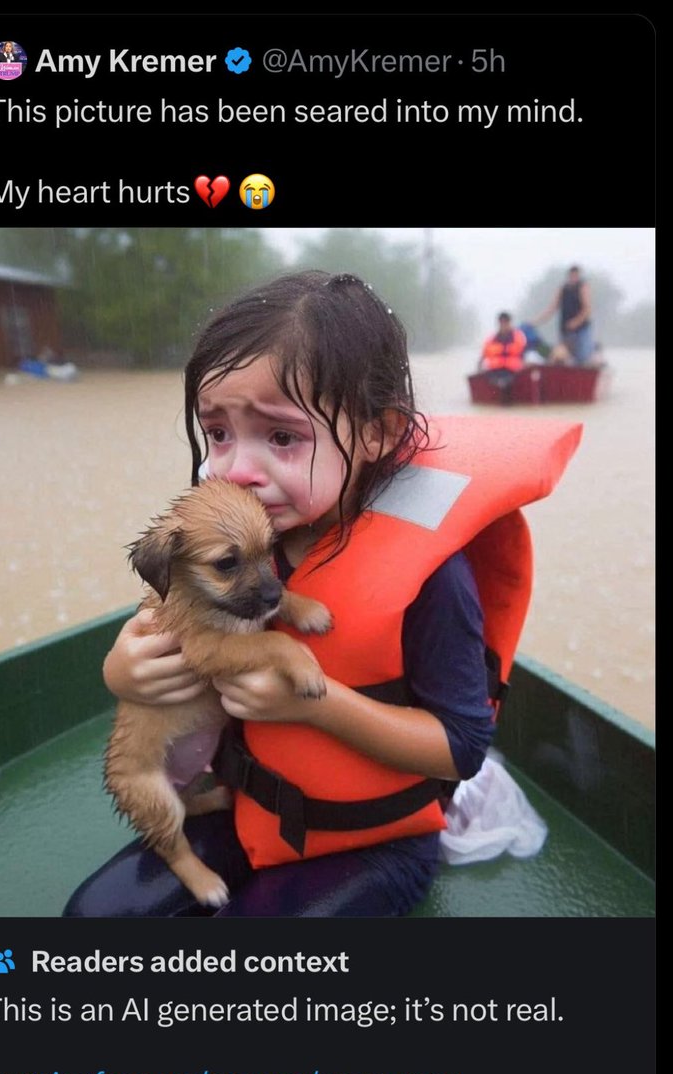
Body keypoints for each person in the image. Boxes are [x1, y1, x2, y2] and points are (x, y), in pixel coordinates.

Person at [63, 271, 576, 919]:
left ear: (378, 432)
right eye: (218, 433)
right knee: (93, 917)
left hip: (373, 839)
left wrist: (317, 706)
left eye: (281, 437)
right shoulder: (242, 532)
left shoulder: (435, 578)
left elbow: (462, 749)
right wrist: (122, 670)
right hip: (246, 803)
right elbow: (173, 628)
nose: (237, 469)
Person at [532, 266, 594, 365]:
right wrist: (536, 321)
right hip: (566, 330)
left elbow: (587, 309)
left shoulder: (583, 287)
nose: (573, 278)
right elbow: (552, 308)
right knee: (558, 356)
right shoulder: (563, 288)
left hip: (581, 330)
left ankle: (590, 354)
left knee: (582, 357)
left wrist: (576, 322)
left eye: (576, 275)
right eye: (572, 275)